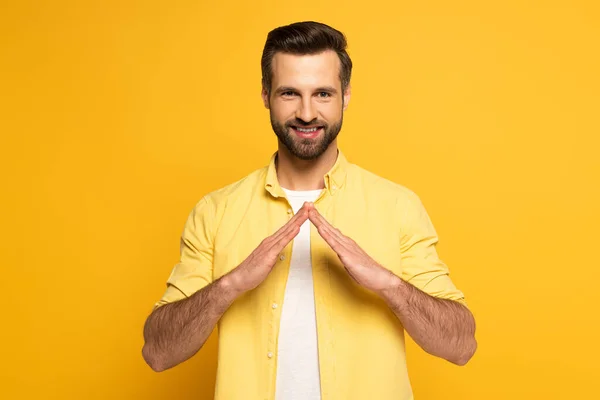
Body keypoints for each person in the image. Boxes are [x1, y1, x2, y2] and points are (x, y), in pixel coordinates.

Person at [142, 21, 477, 400]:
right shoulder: (216, 212)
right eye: (289, 93)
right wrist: (231, 284)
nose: (306, 113)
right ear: (266, 95)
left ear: (345, 96)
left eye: (322, 93)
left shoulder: (397, 206)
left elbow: (461, 345)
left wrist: (388, 284)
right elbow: (157, 352)